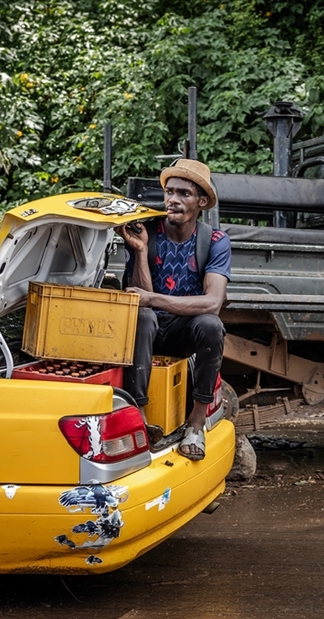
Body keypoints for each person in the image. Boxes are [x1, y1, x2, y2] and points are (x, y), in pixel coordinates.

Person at [116, 159, 231, 461]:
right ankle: (140, 418)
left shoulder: (215, 241)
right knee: (142, 317)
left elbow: (212, 303)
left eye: (184, 194)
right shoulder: (147, 231)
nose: (173, 200)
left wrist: (154, 300)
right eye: (169, 192)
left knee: (211, 325)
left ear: (201, 201)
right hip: (148, 332)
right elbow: (142, 299)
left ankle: (196, 423)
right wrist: (140, 251)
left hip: (184, 333)